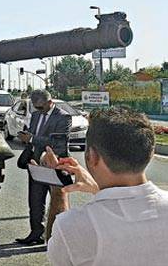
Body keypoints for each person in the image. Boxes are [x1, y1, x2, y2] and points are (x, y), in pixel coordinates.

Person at [44, 107, 168, 265]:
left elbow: (58, 256)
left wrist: (59, 190)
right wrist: (97, 188)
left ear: (92, 157)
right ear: (150, 153)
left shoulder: (73, 225)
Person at [16, 89, 71, 245]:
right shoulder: (35, 115)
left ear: (49, 101)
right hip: (36, 163)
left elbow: (58, 143)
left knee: (58, 202)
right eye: (35, 107)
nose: (38, 110)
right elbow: (33, 135)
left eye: (40, 107)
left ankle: (56, 237)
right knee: (35, 200)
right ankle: (36, 234)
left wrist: (32, 138)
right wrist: (26, 137)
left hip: (55, 164)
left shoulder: (63, 117)